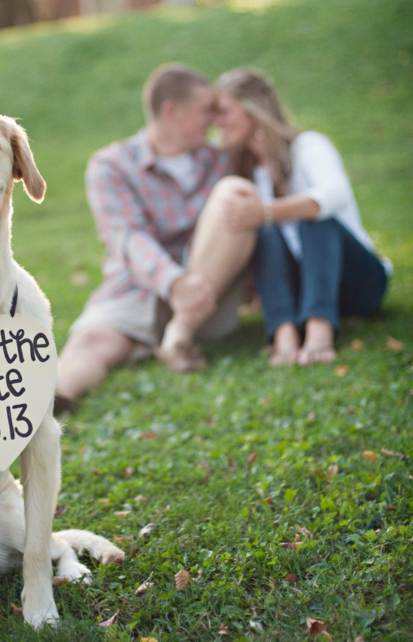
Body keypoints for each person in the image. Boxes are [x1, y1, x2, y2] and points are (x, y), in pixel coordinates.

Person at [54, 63, 259, 412]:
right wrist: (175, 284)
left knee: (234, 193)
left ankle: (180, 333)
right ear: (171, 112)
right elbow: (127, 237)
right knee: (90, 340)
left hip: (211, 290)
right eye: (203, 111)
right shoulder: (112, 164)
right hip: (140, 286)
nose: (211, 119)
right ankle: (52, 401)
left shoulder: (223, 159)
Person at [214, 67, 390, 366]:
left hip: (358, 281)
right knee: (263, 229)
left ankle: (319, 333)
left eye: (224, 111)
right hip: (302, 287)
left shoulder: (309, 146)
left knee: (312, 217)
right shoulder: (246, 172)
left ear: (252, 110)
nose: (217, 121)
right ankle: (285, 334)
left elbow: (334, 195)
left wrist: (267, 212)